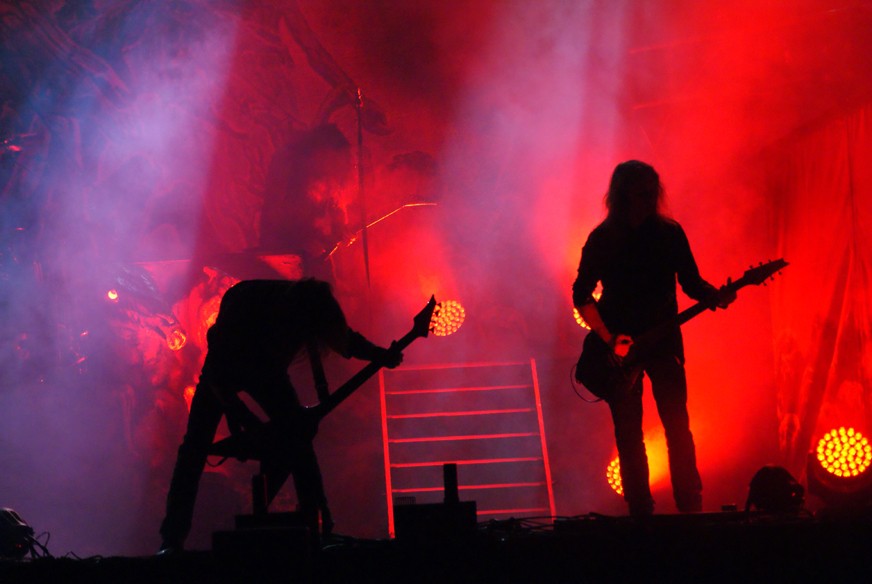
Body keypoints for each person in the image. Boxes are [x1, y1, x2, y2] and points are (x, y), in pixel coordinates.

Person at [158, 278, 402, 553]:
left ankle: (319, 525)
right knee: (195, 448)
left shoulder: (309, 307)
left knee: (298, 438)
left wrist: (378, 354)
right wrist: (249, 424)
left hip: (267, 372)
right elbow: (219, 379)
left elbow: (343, 338)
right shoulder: (246, 310)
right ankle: (172, 538)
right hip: (225, 369)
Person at [572, 160, 734, 517]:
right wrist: (608, 338)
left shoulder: (669, 233)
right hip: (620, 346)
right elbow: (581, 294)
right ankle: (640, 511)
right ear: (623, 192)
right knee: (630, 433)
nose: (650, 196)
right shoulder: (603, 239)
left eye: (653, 189)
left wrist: (714, 294)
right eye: (642, 189)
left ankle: (690, 505)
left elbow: (690, 282)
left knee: (677, 425)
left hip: (663, 343)